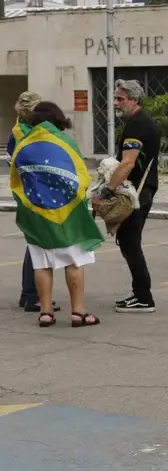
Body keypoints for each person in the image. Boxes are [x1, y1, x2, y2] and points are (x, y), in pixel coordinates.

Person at [14, 102, 105, 327]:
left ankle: (45, 312)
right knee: (74, 261)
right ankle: (78, 311)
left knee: (41, 263)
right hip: (67, 213)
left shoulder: (23, 143)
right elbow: (81, 177)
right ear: (58, 120)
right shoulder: (66, 143)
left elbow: (17, 181)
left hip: (35, 213)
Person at [96, 79, 159, 314]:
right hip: (143, 191)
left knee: (131, 244)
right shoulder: (141, 122)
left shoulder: (138, 125)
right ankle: (140, 294)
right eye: (115, 98)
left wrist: (105, 191)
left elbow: (127, 163)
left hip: (136, 194)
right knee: (129, 244)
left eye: (120, 99)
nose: (116, 103)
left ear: (134, 100)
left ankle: (144, 297)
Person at [10, 91, 57, 315]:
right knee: (37, 244)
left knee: (33, 242)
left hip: (25, 192)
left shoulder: (18, 131)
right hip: (35, 193)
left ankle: (27, 293)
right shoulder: (27, 134)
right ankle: (32, 296)